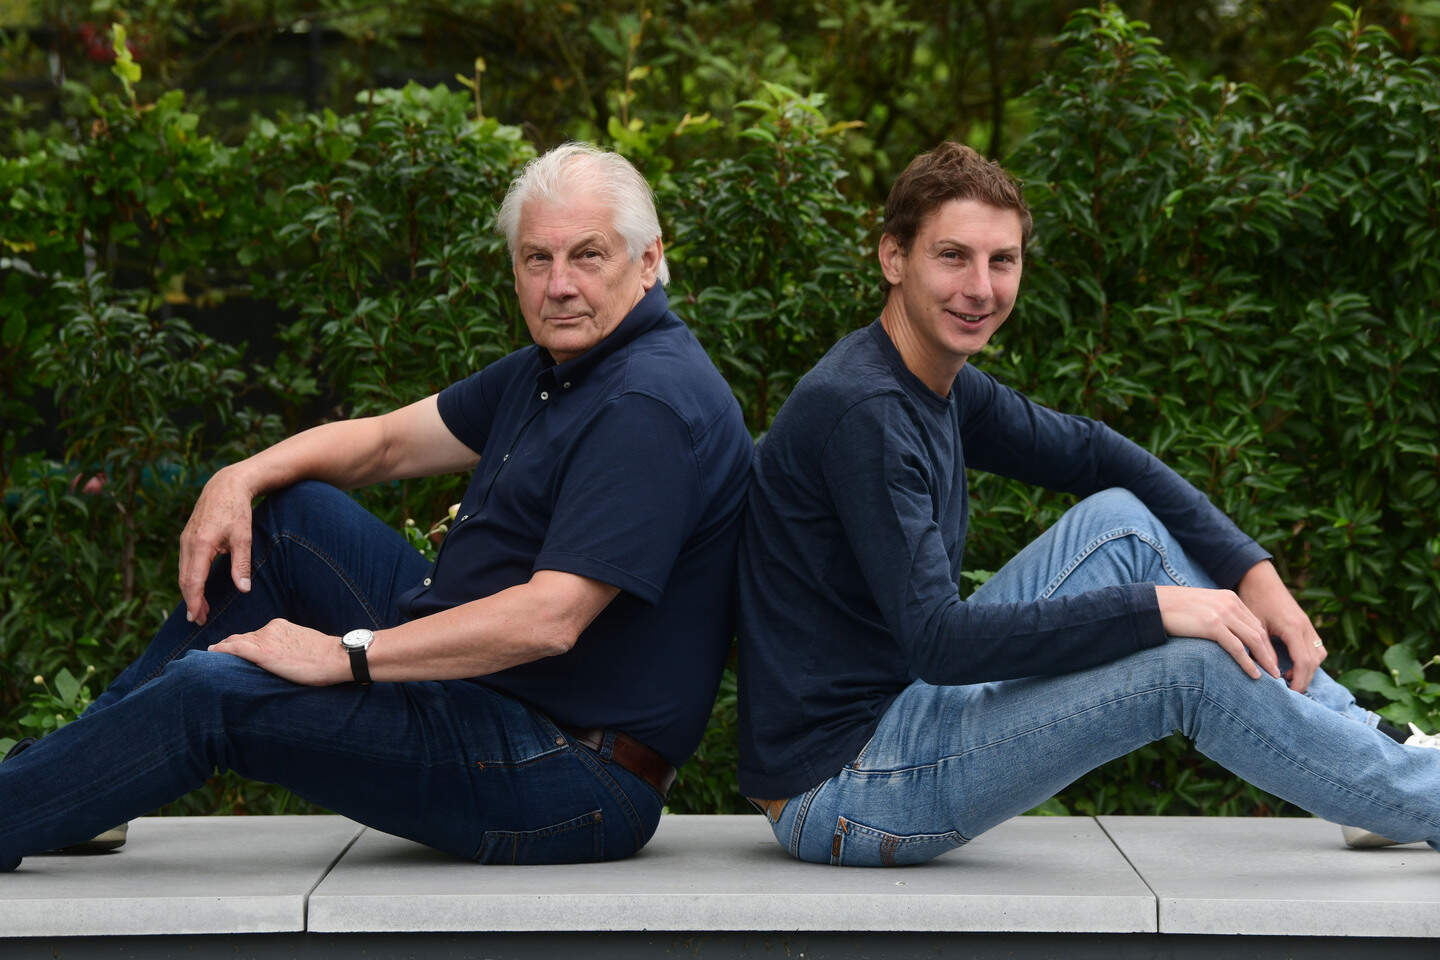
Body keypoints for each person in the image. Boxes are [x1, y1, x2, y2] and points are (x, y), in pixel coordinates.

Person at [0, 142, 753, 871]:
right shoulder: (560, 368)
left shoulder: (645, 403)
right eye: (537, 258)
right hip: (489, 698)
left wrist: (343, 654)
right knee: (288, 522)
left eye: (587, 255)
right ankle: (60, 788)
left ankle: (24, 801)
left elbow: (550, 620)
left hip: (568, 772)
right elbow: (388, 445)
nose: (559, 283)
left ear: (649, 260)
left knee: (214, 694)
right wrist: (237, 476)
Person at [735, 141, 1440, 866]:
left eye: (1002, 260)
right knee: (1190, 667)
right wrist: (1157, 610)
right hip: (845, 787)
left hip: (901, 716)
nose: (980, 287)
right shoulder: (866, 413)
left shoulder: (931, 380)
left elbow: (1096, 452)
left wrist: (1254, 573)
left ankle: (1379, 756)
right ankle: (1425, 793)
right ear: (894, 257)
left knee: (1121, 523)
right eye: (953, 256)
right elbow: (941, 643)